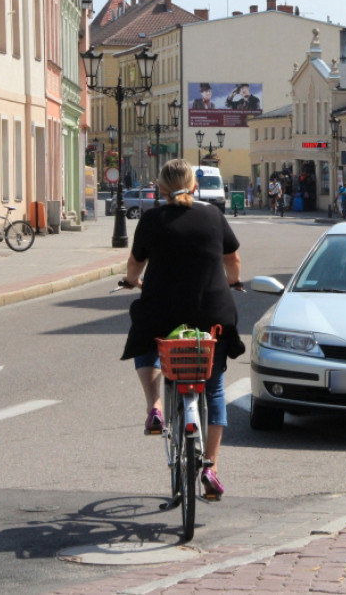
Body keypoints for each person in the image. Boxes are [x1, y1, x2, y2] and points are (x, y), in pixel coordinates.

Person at [121, 159, 243, 500]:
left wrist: (131, 282)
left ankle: (155, 407)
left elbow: (135, 264)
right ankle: (211, 466)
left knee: (144, 334)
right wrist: (234, 283)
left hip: (163, 313)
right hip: (212, 316)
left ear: (159, 189)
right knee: (215, 388)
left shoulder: (151, 219)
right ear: (194, 186)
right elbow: (232, 260)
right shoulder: (213, 216)